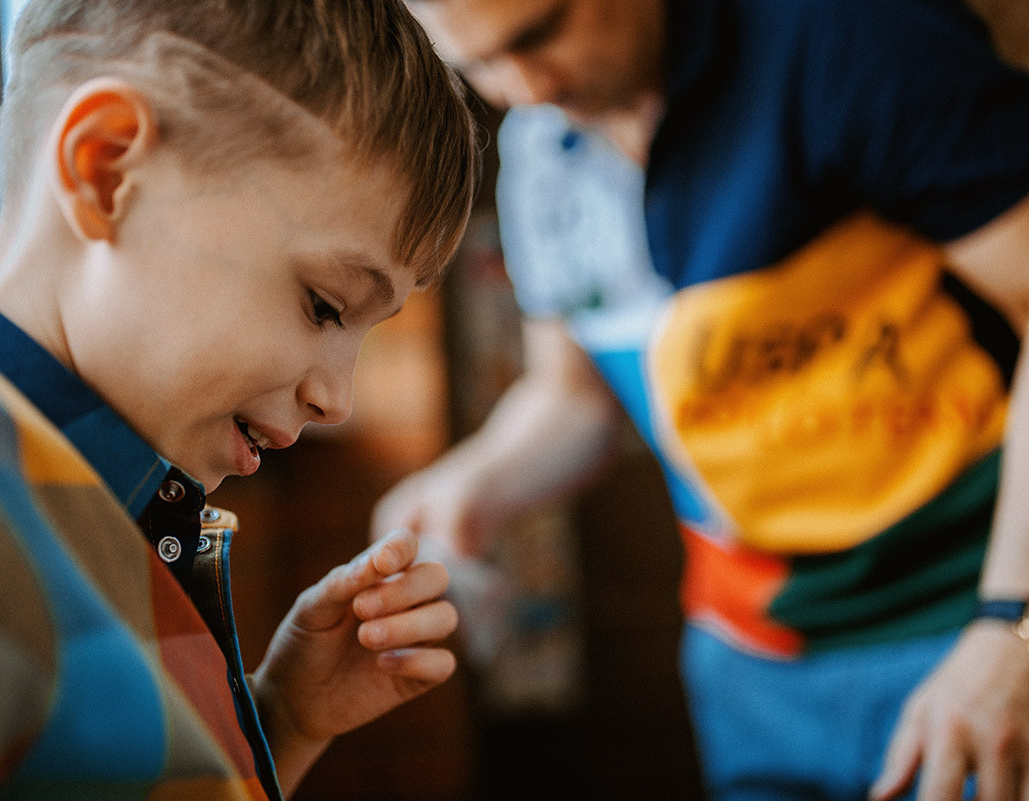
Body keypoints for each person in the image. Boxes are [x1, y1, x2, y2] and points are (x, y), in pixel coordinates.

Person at [372, 0, 1029, 799]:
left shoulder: (857, 37)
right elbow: (575, 397)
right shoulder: (539, 151)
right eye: (478, 65)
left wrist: (1012, 624)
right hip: (747, 666)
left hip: (962, 630)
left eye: (541, 35)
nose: (526, 88)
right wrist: (473, 481)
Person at [0, 1, 478, 798]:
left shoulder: (111, 507)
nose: (336, 398)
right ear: (108, 170)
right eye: (324, 303)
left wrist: (279, 719)